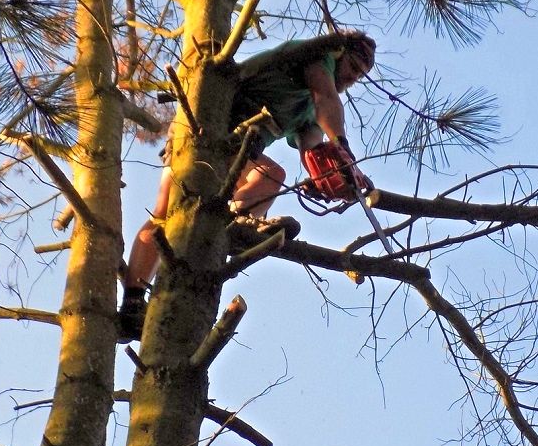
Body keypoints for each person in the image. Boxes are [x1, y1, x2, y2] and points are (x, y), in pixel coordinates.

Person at [118, 30, 376, 341]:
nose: (352, 79)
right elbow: (327, 99)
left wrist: (333, 175)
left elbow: (313, 147)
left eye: (360, 77)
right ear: (340, 55)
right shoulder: (317, 57)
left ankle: (226, 224)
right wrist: (343, 145)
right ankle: (132, 301)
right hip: (204, 128)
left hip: (238, 150)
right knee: (165, 211)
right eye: (353, 69)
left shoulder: (309, 108)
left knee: (269, 175)